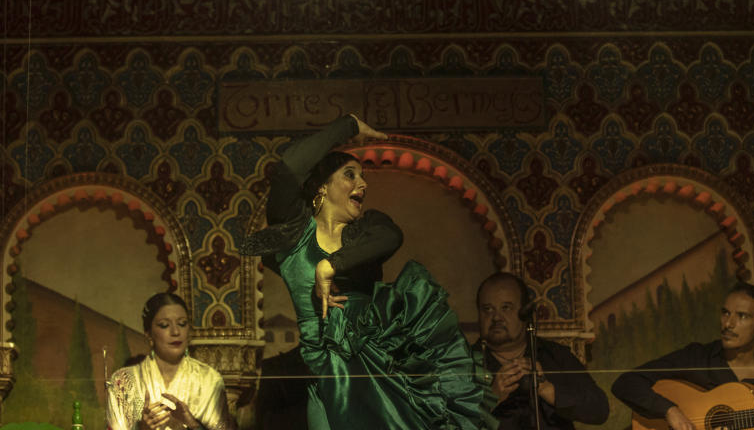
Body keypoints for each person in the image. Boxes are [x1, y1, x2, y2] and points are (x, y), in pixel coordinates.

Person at [240, 114, 482, 429]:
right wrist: (348, 126)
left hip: (371, 369)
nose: (362, 184)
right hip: (321, 371)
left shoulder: (368, 229)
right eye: (350, 175)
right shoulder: (294, 231)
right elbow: (290, 167)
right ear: (322, 186)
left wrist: (330, 265)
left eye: (363, 177)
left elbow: (391, 236)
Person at [611, 282, 754, 430]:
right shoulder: (696, 357)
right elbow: (626, 383)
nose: (728, 323)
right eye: (726, 313)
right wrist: (669, 410)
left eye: (742, 316)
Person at [474, 272, 609, 430]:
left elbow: (599, 410)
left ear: (524, 312)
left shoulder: (555, 355)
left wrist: (547, 390)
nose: (497, 317)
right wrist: (492, 398)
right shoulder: (462, 362)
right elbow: (445, 423)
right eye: (488, 309)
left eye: (506, 308)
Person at [106, 293, 236, 430]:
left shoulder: (209, 380)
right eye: (164, 325)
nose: (175, 331)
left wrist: (192, 425)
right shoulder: (124, 381)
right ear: (148, 333)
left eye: (182, 324)